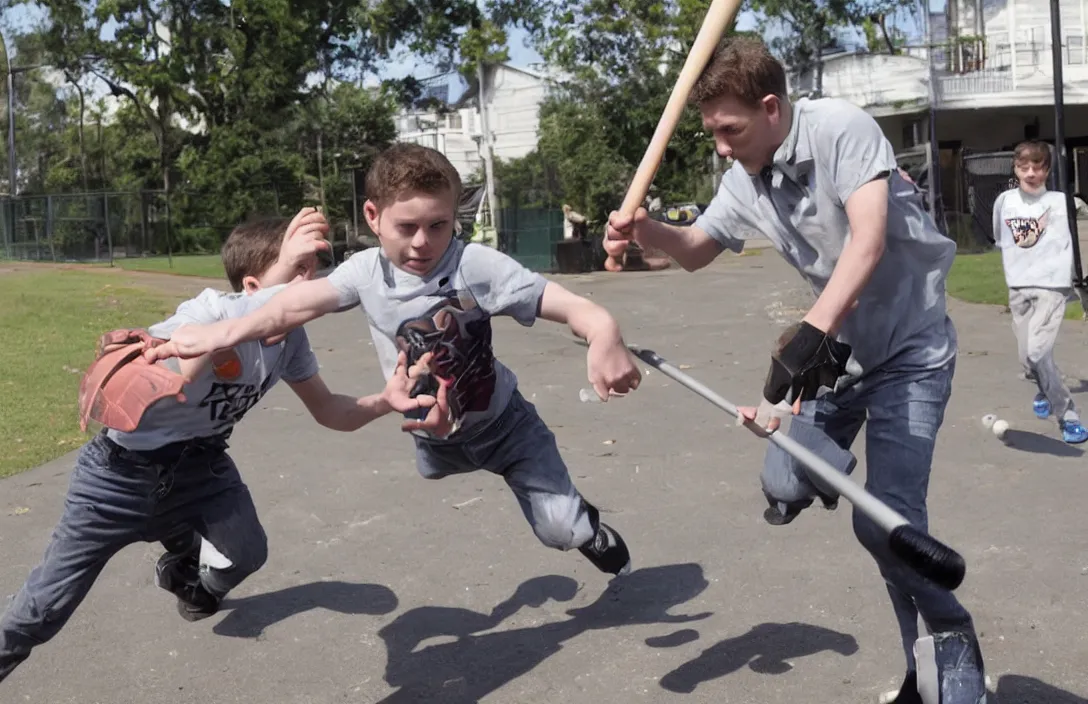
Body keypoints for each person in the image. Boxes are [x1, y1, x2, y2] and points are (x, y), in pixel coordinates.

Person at [606, 36, 986, 703]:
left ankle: (947, 664)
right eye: (713, 132)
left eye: (731, 129)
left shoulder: (841, 130)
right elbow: (694, 250)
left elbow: (867, 242)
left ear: (772, 108)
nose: (721, 145)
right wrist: (646, 231)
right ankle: (826, 483)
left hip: (911, 351)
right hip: (843, 356)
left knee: (885, 524)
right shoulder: (743, 177)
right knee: (783, 474)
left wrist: (812, 333)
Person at [144, 143, 643, 581]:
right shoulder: (367, 271)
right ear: (372, 217)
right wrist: (219, 331)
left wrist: (603, 328)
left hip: (505, 425)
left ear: (454, 219)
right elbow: (289, 305)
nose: (423, 242)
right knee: (436, 461)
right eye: (407, 227)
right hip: (433, 435)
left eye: (439, 225)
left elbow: (563, 302)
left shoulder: (473, 265)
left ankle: (585, 526)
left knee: (560, 530)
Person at [0, 208, 447, 684]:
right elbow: (180, 354)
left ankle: (183, 571)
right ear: (256, 286)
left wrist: (384, 400)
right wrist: (179, 363)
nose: (313, 285)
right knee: (41, 611)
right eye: (299, 272)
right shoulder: (209, 312)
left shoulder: (290, 342)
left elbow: (330, 410)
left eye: (312, 272)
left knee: (248, 552)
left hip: (203, 469)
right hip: (116, 481)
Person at [992, 140, 1088, 444]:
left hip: (1051, 287)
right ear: (1016, 168)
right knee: (1028, 359)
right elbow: (1001, 237)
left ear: (1047, 169)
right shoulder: (1004, 201)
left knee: (1037, 351)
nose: (1031, 172)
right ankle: (1044, 387)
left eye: (1038, 166)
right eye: (1024, 166)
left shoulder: (1063, 203)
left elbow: (1077, 240)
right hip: (1018, 288)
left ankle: (1067, 415)